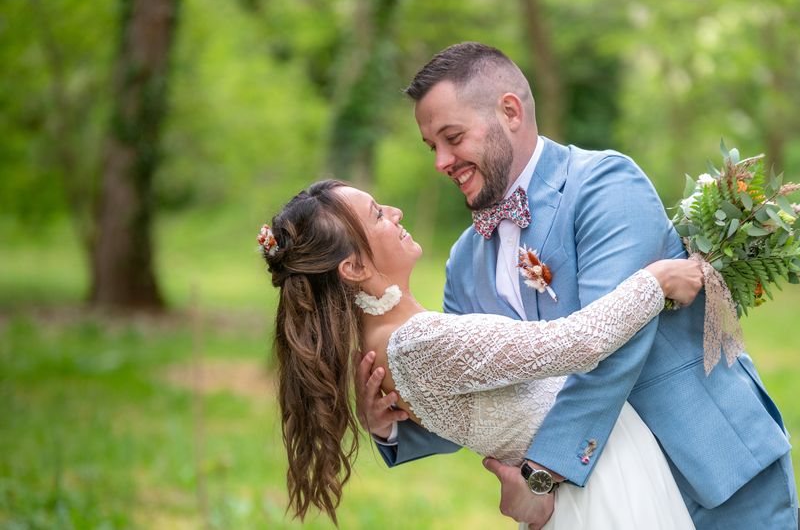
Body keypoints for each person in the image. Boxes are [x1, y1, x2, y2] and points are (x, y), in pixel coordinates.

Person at [356, 42, 799, 529]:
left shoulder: (604, 184)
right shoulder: (465, 260)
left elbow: (613, 352)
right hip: (596, 501)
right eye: (432, 147)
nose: (441, 160)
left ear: (510, 112)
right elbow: (473, 394)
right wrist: (392, 425)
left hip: (708, 472)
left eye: (453, 137)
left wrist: (541, 477)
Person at [259, 179, 704, 527]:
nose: (395, 212)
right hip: (601, 487)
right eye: (377, 215)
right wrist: (656, 281)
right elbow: (575, 345)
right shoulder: (419, 344)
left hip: (578, 486)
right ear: (354, 268)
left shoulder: (391, 345)